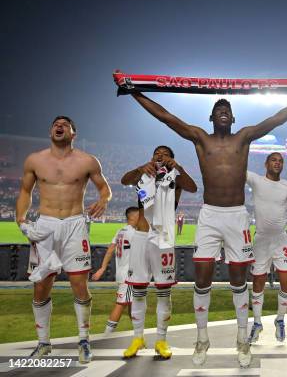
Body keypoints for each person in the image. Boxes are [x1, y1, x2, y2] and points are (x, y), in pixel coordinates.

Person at [128, 90, 287, 368]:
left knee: (239, 280)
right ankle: (202, 339)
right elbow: (165, 117)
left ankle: (242, 341)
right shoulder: (200, 137)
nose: (223, 111)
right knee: (202, 278)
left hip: (237, 216)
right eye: (219, 109)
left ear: (233, 117)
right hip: (210, 214)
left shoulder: (244, 136)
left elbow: (276, 119)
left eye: (227, 108)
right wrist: (134, 92)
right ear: (212, 117)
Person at [16, 116, 112, 362]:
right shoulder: (35, 160)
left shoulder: (87, 161)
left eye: (64, 124)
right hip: (45, 225)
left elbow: (104, 188)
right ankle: (43, 343)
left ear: (73, 133)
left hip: (74, 224)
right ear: (50, 131)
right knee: (41, 286)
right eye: (55, 124)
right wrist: (21, 221)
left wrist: (104, 200)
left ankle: (83, 341)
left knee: (80, 284)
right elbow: (25, 191)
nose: (59, 126)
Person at [120, 146, 197, 359]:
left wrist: (178, 167)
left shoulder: (176, 177)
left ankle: (161, 341)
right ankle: (138, 338)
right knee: (138, 290)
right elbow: (124, 180)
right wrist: (140, 168)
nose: (160, 155)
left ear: (171, 158)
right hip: (141, 236)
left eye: (165, 153)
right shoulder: (144, 174)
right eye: (156, 152)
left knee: (163, 291)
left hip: (163, 239)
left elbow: (193, 187)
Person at [246, 152, 287, 343]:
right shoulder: (256, 180)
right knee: (258, 281)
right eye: (274, 160)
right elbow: (238, 168)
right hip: (261, 240)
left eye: (280, 161)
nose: (278, 163)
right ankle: (257, 322)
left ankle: (280, 319)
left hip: (280, 240)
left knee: (286, 281)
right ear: (266, 163)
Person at [91, 206, 140, 335]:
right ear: (133, 217)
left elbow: (110, 250)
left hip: (122, 272)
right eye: (140, 216)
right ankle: (106, 334)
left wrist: (102, 268)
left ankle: (138, 334)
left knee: (132, 304)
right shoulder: (134, 233)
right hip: (130, 275)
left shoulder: (120, 231)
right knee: (121, 303)